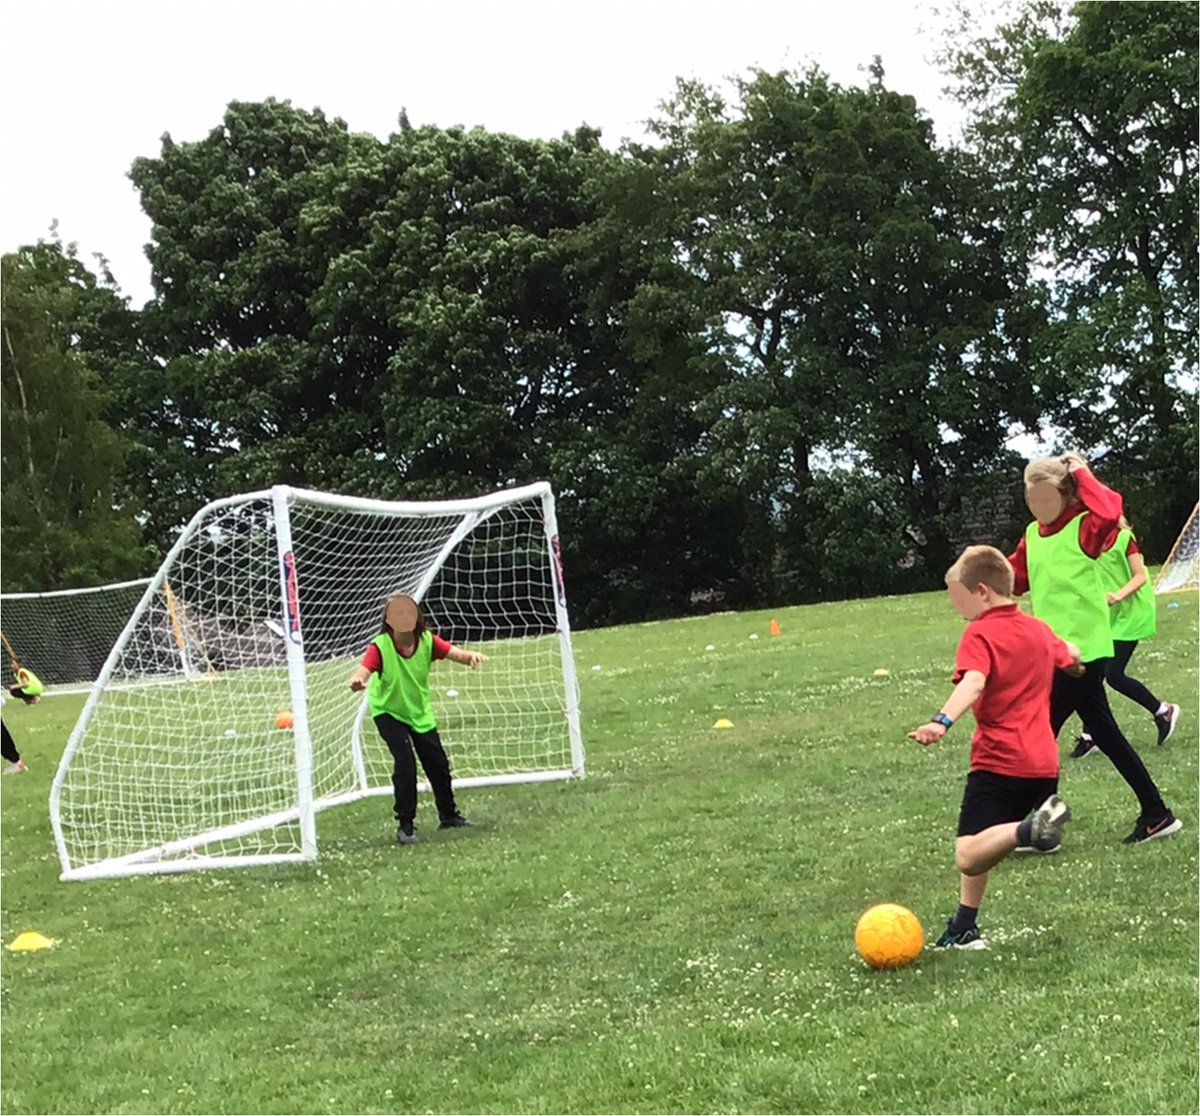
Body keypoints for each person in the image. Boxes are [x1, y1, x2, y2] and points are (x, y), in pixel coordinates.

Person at [909, 545, 1079, 950]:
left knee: (968, 855)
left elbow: (974, 682)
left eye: (960, 598)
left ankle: (1030, 829)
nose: (959, 608)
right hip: (1042, 763)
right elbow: (1070, 654)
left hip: (1000, 760)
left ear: (983, 591)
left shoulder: (980, 633)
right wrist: (1074, 661)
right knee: (982, 838)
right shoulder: (1037, 628)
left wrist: (941, 721)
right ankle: (964, 926)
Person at [1009, 454, 1181, 845]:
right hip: (1056, 655)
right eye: (1031, 496)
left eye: (1046, 494)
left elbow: (1109, 509)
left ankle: (1036, 826)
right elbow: (1014, 578)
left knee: (1038, 733)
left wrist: (1082, 471)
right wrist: (981, 585)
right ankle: (1157, 815)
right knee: (1107, 734)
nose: (1038, 504)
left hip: (1084, 654)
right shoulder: (1032, 536)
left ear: (1066, 494)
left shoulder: (1084, 528)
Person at [348, 593, 486, 845]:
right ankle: (405, 826)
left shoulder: (427, 641)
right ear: (388, 621)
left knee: (438, 763)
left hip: (419, 712)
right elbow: (364, 669)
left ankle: (449, 816)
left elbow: (455, 653)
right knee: (405, 763)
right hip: (388, 712)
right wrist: (359, 680)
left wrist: (470, 657)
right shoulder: (380, 646)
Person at [1072, 516, 1180, 757]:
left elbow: (1140, 576)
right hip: (1110, 617)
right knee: (1092, 674)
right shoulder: (1088, 544)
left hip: (1133, 613)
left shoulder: (1124, 539)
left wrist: (1118, 596)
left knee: (1113, 674)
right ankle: (1092, 736)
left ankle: (1163, 711)